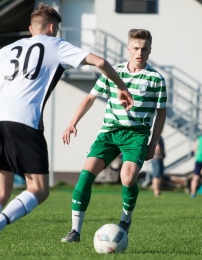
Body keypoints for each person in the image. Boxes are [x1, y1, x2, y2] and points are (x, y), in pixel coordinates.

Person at [0, 3, 133, 257]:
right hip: (24, 121)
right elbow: (99, 61)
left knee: (0, 190)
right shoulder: (57, 45)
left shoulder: (8, 48)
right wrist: (121, 86)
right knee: (39, 189)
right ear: (53, 27)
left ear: (30, 28)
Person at [61, 28, 167, 243]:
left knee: (127, 179)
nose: (140, 53)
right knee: (85, 176)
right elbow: (90, 98)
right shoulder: (113, 72)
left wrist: (152, 144)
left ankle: (126, 220)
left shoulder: (156, 79)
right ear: (129, 48)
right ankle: (75, 232)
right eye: (136, 48)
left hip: (136, 135)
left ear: (149, 50)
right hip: (109, 133)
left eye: (145, 49)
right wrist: (72, 122)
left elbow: (161, 113)